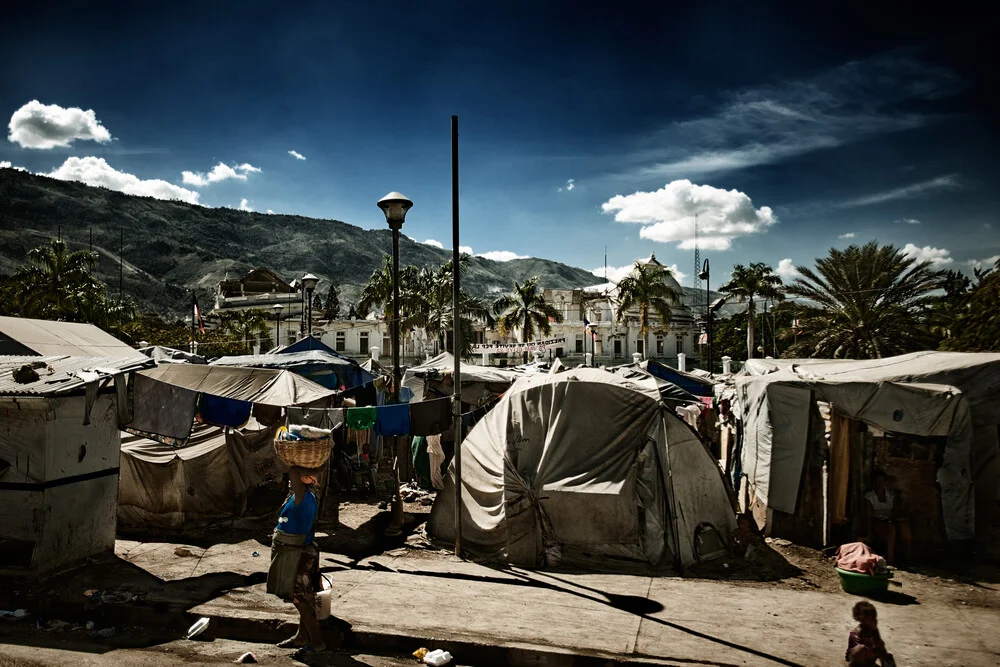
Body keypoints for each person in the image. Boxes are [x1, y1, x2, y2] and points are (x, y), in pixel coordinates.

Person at [267, 467, 325, 653]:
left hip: (298, 553)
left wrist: (294, 462)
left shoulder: (303, 497)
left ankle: (317, 642)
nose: (291, 480)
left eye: (296, 478)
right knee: (304, 597)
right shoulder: (302, 496)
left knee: (299, 598)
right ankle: (301, 637)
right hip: (302, 549)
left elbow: (293, 472)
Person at [863, 470, 911, 565]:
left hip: (891, 520)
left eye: (882, 481)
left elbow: (896, 511)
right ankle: (890, 558)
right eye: (878, 481)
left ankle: (908, 557)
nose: (880, 484)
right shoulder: (869, 496)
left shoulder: (891, 495)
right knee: (891, 528)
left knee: (903, 526)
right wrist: (869, 531)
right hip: (878, 521)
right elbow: (869, 515)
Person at [846, 600, 894, 666]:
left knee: (883, 649)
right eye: (870, 618)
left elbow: (879, 644)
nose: (874, 620)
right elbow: (861, 649)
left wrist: (875, 630)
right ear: (861, 619)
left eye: (873, 617)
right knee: (861, 648)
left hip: (868, 657)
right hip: (857, 658)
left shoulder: (873, 629)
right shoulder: (858, 632)